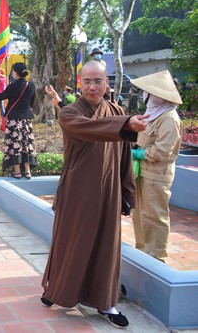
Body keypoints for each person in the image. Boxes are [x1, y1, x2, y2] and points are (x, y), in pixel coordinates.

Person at [40, 61, 149, 329]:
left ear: (106, 83)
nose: (92, 86)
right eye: (87, 81)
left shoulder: (117, 111)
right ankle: (58, 291)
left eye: (97, 81)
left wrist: (127, 192)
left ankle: (105, 302)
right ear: (79, 83)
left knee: (106, 247)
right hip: (78, 192)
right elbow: (89, 129)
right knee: (71, 243)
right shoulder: (70, 113)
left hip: (109, 191)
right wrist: (125, 124)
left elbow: (124, 157)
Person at [130, 70, 183, 262]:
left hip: (156, 175)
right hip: (144, 172)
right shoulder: (153, 114)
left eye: (149, 92)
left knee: (155, 217)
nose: (145, 95)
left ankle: (157, 258)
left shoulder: (168, 117)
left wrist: (139, 153)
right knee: (140, 215)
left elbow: (163, 151)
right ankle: (144, 254)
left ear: (159, 96)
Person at [0, 62, 37, 178]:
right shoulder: (31, 85)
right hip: (26, 120)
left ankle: (17, 172)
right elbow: (32, 103)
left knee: (15, 144)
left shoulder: (13, 86)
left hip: (14, 121)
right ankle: (27, 171)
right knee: (26, 143)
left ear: (15, 72)